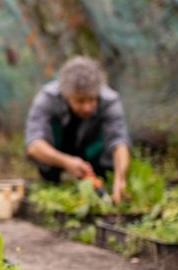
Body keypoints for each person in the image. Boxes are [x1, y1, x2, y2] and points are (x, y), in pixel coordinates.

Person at [24, 56, 131, 203]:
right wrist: (66, 161)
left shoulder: (110, 100)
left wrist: (120, 178)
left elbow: (119, 141)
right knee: (46, 147)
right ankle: (52, 178)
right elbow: (34, 145)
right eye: (80, 101)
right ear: (66, 95)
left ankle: (101, 178)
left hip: (91, 148)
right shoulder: (48, 98)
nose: (87, 107)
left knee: (109, 147)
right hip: (61, 146)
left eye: (92, 99)